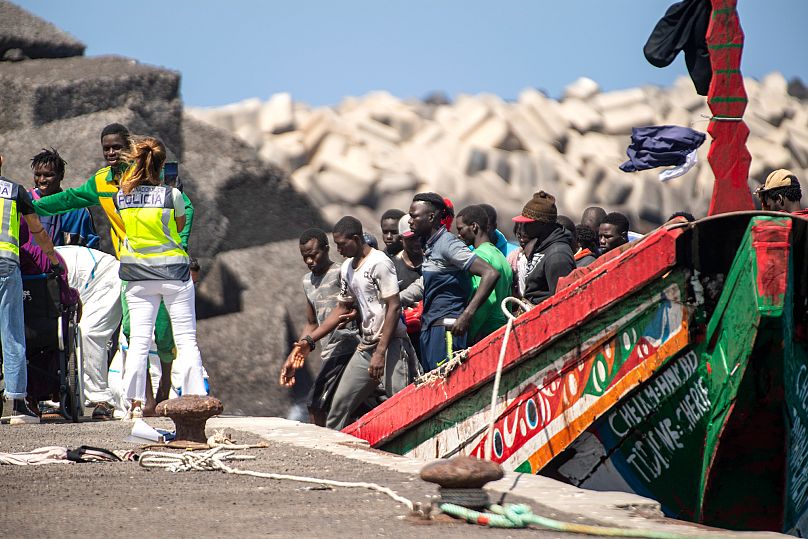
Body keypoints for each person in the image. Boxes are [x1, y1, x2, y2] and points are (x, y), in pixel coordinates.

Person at [290, 217, 415, 429]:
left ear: (356, 239)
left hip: (390, 343)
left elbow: (393, 307)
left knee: (401, 404)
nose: (337, 250)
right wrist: (309, 340)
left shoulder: (380, 263)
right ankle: (333, 454)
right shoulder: (347, 267)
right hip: (365, 346)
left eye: (341, 244)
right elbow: (341, 308)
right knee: (338, 408)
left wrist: (380, 352)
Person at [113, 137, 205, 420]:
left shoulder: (121, 196)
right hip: (173, 274)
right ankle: (193, 398)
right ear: (162, 166)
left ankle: (135, 405)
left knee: (139, 341)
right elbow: (178, 226)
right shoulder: (172, 196)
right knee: (186, 338)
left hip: (137, 276)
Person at [0, 154, 64, 425]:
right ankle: (17, 405)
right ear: (1, 160)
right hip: (5, 265)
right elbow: (37, 231)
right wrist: (52, 260)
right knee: (12, 333)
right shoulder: (15, 191)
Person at [409, 192, 500, 371]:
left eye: (414, 216)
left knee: (445, 384)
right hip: (430, 328)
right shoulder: (430, 245)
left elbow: (490, 273)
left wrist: (467, 315)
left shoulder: (448, 244)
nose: (410, 221)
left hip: (447, 329)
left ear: (431, 217)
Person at [279, 228, 359, 426]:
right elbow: (311, 323)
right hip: (329, 351)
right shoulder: (308, 281)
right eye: (304, 257)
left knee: (316, 404)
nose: (309, 261)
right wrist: (296, 352)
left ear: (326, 249)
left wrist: (309, 341)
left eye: (313, 255)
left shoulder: (342, 272)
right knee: (334, 404)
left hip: (349, 346)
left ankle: (322, 445)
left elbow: (344, 309)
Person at [56, 246, 122, 419]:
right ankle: (55, 396)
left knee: (89, 333)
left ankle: (102, 399)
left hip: (105, 277)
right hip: (83, 280)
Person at [455, 205, 512, 344]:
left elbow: (488, 300)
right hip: (503, 329)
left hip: (485, 332)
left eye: (460, 229)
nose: (458, 235)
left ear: (474, 227)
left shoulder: (479, 257)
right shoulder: (500, 256)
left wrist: (471, 333)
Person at [28, 148, 99, 248]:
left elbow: (90, 248)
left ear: (61, 176)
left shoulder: (77, 210)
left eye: (49, 175)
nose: (42, 180)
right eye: (38, 175)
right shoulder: (24, 202)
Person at [513, 191, 575, 305]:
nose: (522, 229)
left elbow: (563, 302)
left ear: (542, 224)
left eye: (527, 223)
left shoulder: (558, 256)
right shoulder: (541, 247)